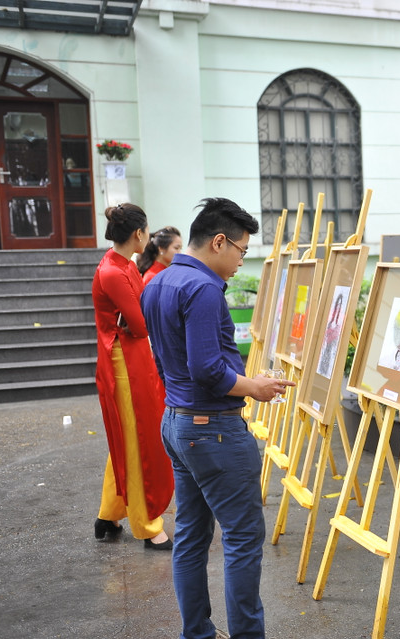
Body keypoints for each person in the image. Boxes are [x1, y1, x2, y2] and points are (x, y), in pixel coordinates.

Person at [141, 197, 294, 639]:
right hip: (213, 430)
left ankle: (198, 633)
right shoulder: (204, 288)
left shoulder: (159, 282)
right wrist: (255, 387)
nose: (240, 262)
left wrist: (242, 381)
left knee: (189, 537)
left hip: (177, 422)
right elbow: (207, 370)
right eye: (242, 251)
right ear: (219, 242)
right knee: (243, 539)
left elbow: (171, 361)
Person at [92, 203, 174, 551]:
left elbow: (139, 319)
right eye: (147, 231)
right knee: (138, 438)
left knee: (129, 437)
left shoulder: (122, 265)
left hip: (132, 358)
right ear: (138, 234)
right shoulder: (113, 271)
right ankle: (146, 525)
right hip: (123, 362)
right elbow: (140, 324)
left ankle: (108, 515)